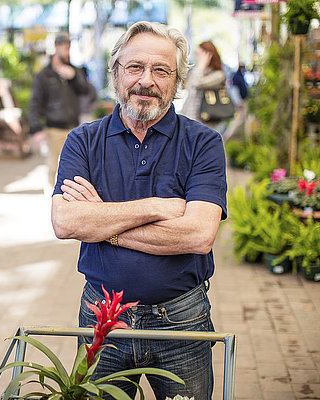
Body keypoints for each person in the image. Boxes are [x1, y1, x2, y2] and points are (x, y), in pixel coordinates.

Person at [51, 21, 227, 399]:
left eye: (161, 70)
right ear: (115, 73)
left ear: (178, 80)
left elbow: (198, 234)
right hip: (103, 318)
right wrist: (155, 207)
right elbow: (65, 221)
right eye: (135, 67)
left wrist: (103, 222)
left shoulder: (204, 144)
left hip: (181, 320)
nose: (146, 80)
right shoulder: (83, 141)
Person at [29, 31, 91, 186]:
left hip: (73, 127)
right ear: (57, 47)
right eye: (64, 47)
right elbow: (35, 102)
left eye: (69, 48)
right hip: (54, 128)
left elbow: (86, 90)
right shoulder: (44, 75)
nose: (67, 51)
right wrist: (36, 128)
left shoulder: (74, 71)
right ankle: (52, 200)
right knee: (53, 167)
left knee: (74, 167)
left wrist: (74, 77)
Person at [180, 40, 227, 131]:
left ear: (208, 55)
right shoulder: (197, 72)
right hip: (190, 118)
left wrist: (201, 66)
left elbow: (197, 84)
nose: (196, 57)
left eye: (199, 54)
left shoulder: (218, 75)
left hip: (207, 123)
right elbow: (185, 87)